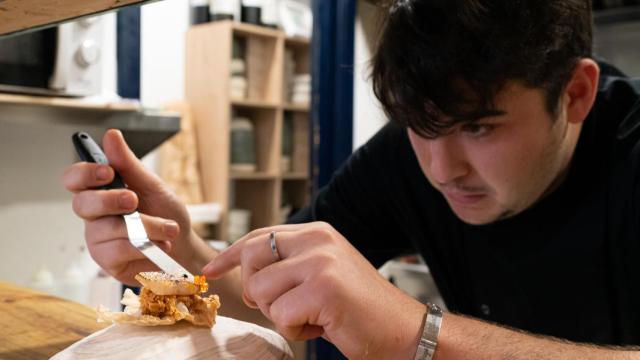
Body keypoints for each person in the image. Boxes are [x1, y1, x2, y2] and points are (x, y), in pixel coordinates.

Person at [62, 0, 640, 358]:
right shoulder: (404, 157)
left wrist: (417, 335)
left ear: (575, 94)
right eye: (418, 127)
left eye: (480, 129)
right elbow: (263, 298)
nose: (442, 171)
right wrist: (175, 250)